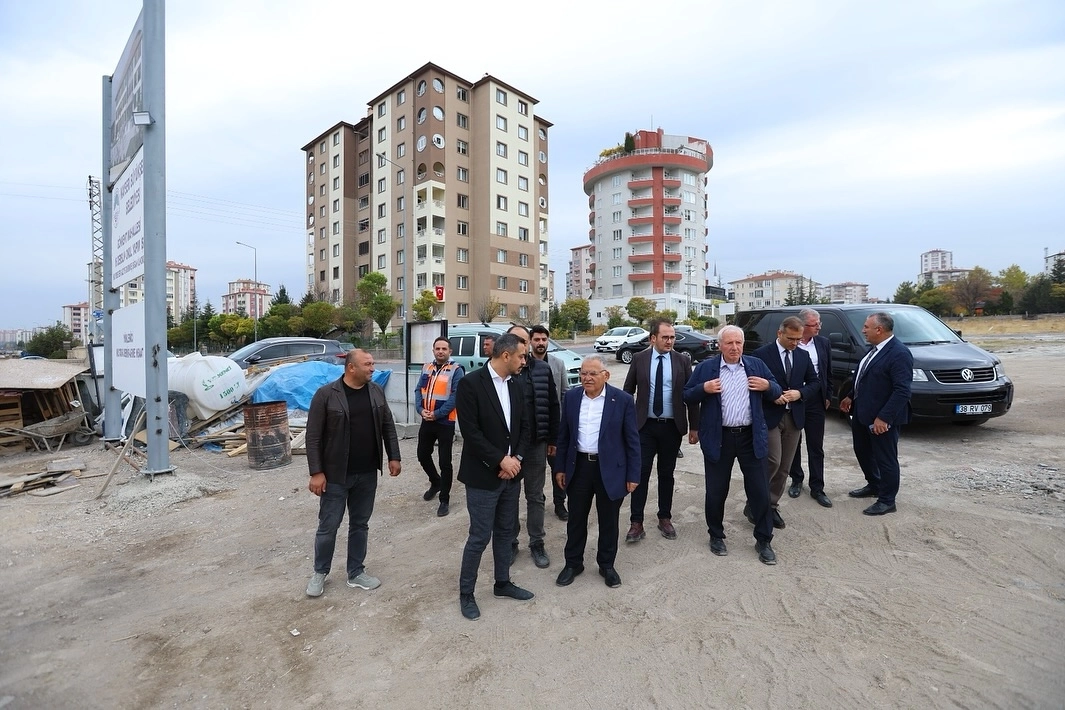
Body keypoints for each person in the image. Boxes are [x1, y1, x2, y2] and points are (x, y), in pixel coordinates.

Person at [304, 349, 401, 598]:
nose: (373, 368)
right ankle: (320, 572)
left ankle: (356, 572)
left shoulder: (376, 391)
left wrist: (394, 456)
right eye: (367, 364)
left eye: (373, 363)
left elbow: (388, 425)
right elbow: (313, 437)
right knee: (329, 526)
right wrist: (316, 472)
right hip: (336, 475)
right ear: (351, 368)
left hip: (367, 473)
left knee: (360, 524)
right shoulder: (326, 395)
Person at [683, 325, 782, 565]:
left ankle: (764, 540)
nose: (735, 347)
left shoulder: (755, 365)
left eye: (738, 343)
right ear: (720, 345)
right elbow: (686, 395)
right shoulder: (706, 368)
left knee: (759, 490)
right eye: (729, 343)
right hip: (720, 438)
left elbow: (777, 390)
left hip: (750, 437)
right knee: (716, 491)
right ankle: (716, 536)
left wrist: (768, 386)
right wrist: (703, 389)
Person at [456, 333, 534, 621]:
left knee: (505, 532)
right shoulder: (471, 384)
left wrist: (516, 460)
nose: (524, 361)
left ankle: (502, 583)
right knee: (479, 537)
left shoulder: (516, 384)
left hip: (511, 475)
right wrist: (501, 460)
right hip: (483, 476)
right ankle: (466, 593)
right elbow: (471, 432)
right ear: (506, 355)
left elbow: (525, 427)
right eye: (521, 356)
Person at [554, 356, 641, 588]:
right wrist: (560, 467)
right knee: (576, 519)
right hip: (579, 467)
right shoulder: (572, 397)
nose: (587, 378)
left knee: (608, 520)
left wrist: (633, 475)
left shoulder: (622, 400)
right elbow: (564, 436)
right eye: (583, 373)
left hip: (610, 469)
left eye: (592, 373)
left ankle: (607, 565)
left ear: (606, 375)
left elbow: (632, 441)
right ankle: (573, 563)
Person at [622, 319, 699, 543]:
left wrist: (694, 426)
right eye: (665, 337)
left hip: (671, 427)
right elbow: (627, 392)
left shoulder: (682, 361)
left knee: (666, 474)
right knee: (640, 474)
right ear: (652, 338)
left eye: (672, 337)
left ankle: (664, 517)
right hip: (644, 427)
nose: (670, 341)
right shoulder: (639, 359)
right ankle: (636, 522)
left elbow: (692, 396)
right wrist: (626, 423)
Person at [839, 312, 913, 515]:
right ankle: (875, 485)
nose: (863, 330)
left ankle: (887, 500)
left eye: (866, 327)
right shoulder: (873, 350)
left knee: (885, 459)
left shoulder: (899, 353)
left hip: (881, 419)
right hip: (862, 413)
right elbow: (865, 378)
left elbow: (902, 391)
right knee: (862, 451)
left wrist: (884, 418)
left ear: (879, 329)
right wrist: (850, 396)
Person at [750, 316, 819, 529]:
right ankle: (755, 503)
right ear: (779, 333)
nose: (795, 343)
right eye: (791, 338)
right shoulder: (761, 355)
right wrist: (772, 395)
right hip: (769, 416)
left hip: (794, 417)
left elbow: (815, 382)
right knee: (772, 461)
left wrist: (800, 393)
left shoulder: (803, 355)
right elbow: (752, 384)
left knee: (785, 467)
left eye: (799, 339)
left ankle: (770, 506)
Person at [505, 324, 560, 569]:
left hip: (537, 444)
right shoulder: (502, 372)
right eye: (515, 340)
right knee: (510, 496)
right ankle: (510, 542)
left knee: (535, 496)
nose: (521, 345)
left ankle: (537, 542)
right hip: (509, 448)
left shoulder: (542, 369)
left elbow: (553, 405)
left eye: (524, 340)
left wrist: (553, 439)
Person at [788, 308, 834, 508]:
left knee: (816, 445)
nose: (819, 327)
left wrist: (828, 395)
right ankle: (796, 479)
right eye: (815, 324)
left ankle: (817, 487)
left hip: (816, 400)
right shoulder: (791, 343)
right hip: (795, 399)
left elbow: (827, 371)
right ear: (803, 325)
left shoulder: (823, 343)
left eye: (819, 323)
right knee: (794, 443)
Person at [414, 336, 464, 517]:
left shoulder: (456, 370)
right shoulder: (427, 367)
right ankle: (436, 482)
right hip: (427, 419)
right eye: (438, 348)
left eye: (444, 349)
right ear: (433, 350)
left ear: (450, 351)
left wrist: (437, 414)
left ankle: (444, 499)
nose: (440, 351)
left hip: (445, 422)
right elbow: (418, 390)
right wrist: (420, 410)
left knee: (445, 462)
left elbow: (456, 396)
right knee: (422, 455)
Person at [528, 324, 572, 521]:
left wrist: (564, 424)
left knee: (558, 467)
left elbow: (564, 393)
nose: (541, 343)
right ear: (530, 342)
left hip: (555, 427)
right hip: (534, 429)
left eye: (544, 339)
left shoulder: (558, 364)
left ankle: (560, 503)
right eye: (537, 339)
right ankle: (538, 499)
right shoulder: (524, 363)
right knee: (535, 469)